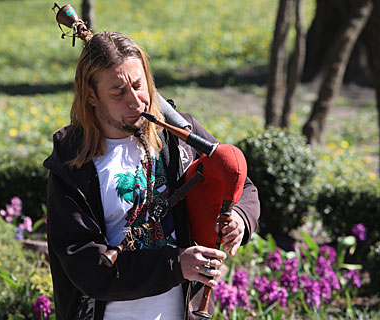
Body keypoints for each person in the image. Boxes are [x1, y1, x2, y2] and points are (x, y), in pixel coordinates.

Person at [43, 31, 260, 320]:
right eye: (118, 93)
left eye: (138, 85)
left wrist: (239, 220)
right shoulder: (72, 165)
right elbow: (85, 263)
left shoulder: (179, 136)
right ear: (91, 96)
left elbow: (239, 183)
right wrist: (175, 265)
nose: (136, 102)